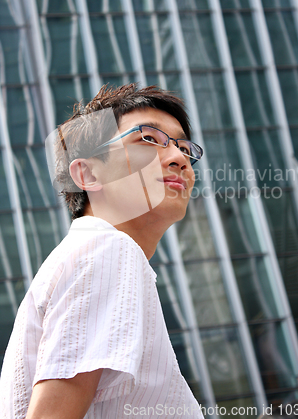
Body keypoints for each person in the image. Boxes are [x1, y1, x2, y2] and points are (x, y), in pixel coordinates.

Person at [0, 84, 205, 419]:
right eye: (149, 139)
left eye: (184, 147)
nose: (179, 158)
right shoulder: (108, 249)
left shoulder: (98, 254)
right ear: (88, 173)